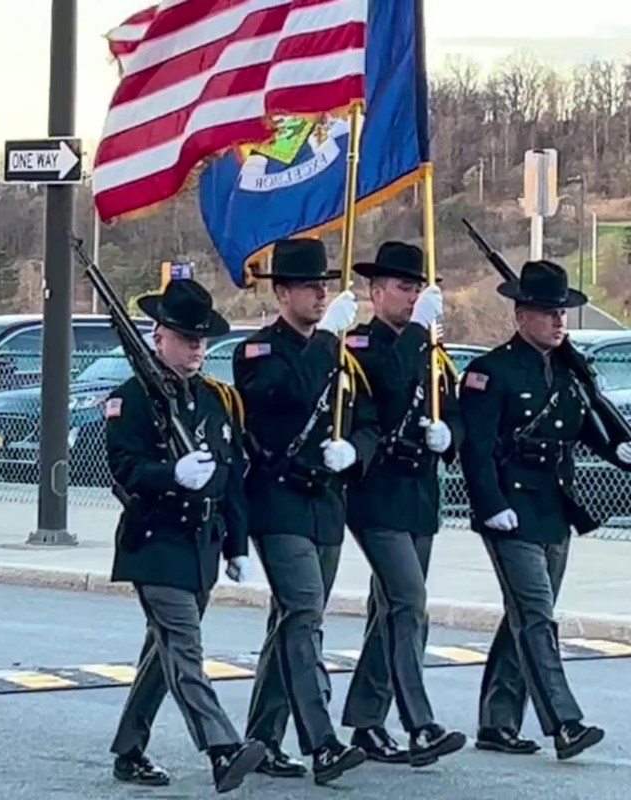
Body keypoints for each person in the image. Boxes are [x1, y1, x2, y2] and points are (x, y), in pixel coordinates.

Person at [457, 260, 631, 760]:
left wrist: (616, 450)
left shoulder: (566, 370)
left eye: (562, 312)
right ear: (521, 317)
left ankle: (497, 723)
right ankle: (564, 722)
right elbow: (475, 449)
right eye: (547, 313)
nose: (559, 321)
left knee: (524, 615)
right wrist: (491, 506)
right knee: (537, 614)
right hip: (510, 508)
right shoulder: (489, 372)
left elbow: (580, 424)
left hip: (553, 508)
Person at [105, 278, 265, 793]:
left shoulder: (215, 401)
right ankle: (222, 748)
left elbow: (233, 476)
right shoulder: (129, 399)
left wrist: (237, 545)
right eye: (185, 336)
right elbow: (125, 467)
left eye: (201, 338)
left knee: (164, 653)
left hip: (202, 547)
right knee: (184, 649)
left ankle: (130, 749)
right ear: (158, 336)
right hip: (155, 543)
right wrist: (169, 475)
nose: (196, 347)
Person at [232, 238, 380, 786]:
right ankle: (321, 742)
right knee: (304, 615)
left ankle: (262, 739)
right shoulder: (258, 352)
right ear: (282, 292)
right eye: (312, 286)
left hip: (325, 503)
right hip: (278, 499)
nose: (322, 294)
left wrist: (355, 454)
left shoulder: (336, 350)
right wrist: (325, 345)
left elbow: (367, 420)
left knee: (291, 621)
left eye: (325, 286)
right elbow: (280, 395)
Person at [339, 241, 468, 766]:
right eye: (402, 288)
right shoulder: (362, 346)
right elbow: (389, 383)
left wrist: (448, 435)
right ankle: (420, 723)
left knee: (391, 610)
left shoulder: (430, 353)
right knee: (410, 605)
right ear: (375, 292)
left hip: (419, 494)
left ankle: (367, 722)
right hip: (377, 494)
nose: (412, 296)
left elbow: (455, 410)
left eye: (417, 288)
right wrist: (419, 332)